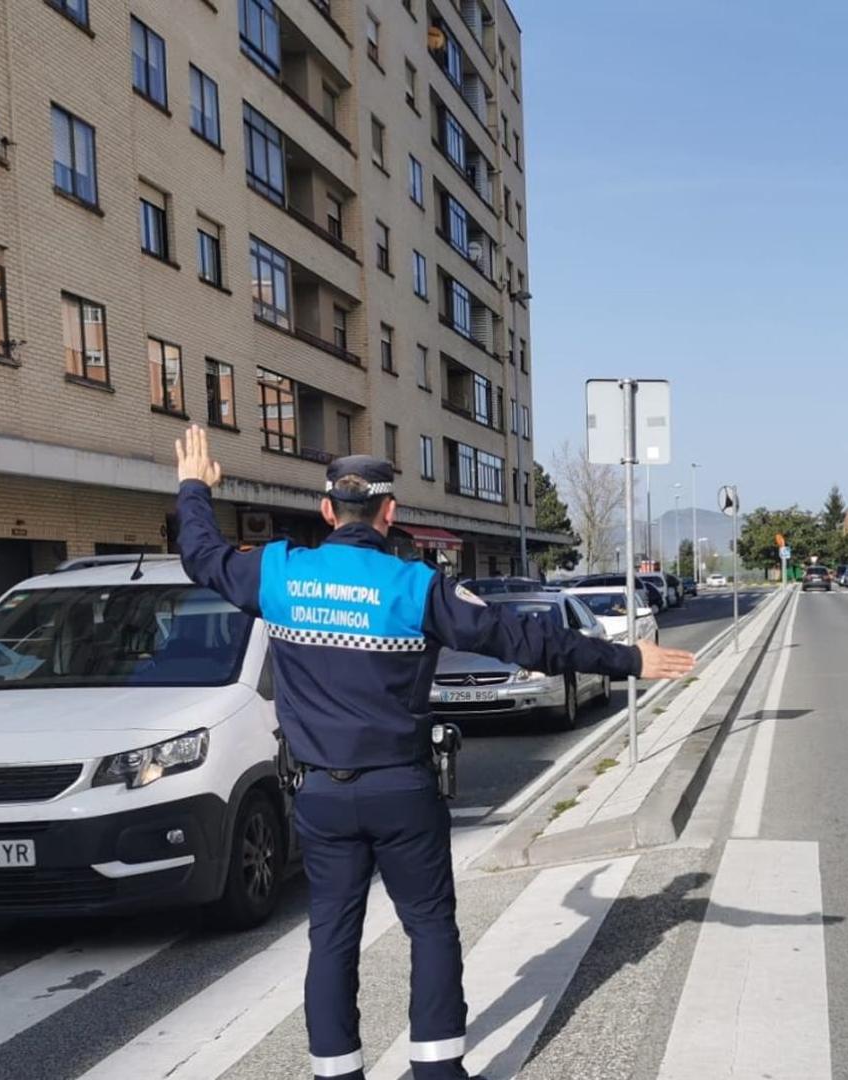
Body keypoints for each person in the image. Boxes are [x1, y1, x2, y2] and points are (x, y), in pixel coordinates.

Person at [170, 427, 695, 1080]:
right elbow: (526, 641)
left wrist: (195, 486)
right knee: (430, 929)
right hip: (404, 793)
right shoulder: (417, 589)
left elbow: (201, 553)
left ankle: (336, 1073)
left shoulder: (276, 572)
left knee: (331, 938)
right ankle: (437, 1070)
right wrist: (626, 657)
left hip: (320, 797)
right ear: (390, 515)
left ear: (328, 511)